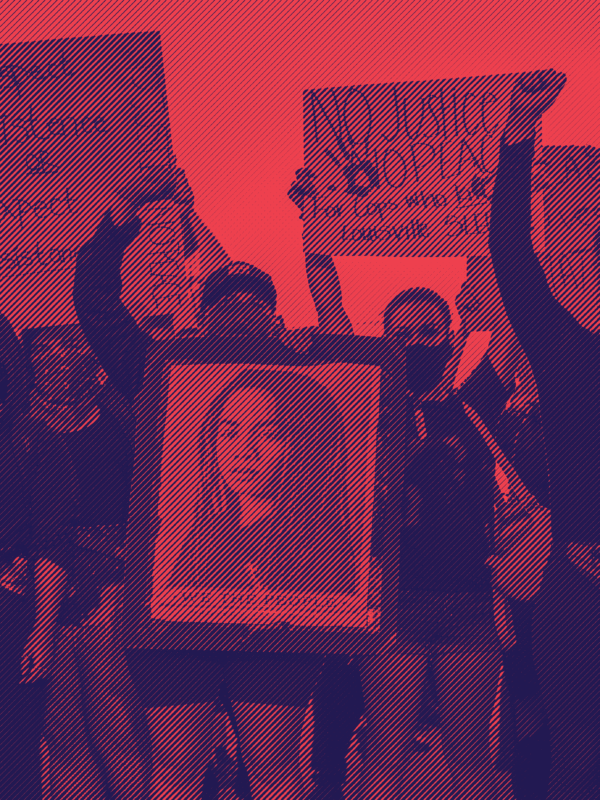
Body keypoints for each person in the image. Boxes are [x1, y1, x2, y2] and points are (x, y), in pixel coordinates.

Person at [73, 167, 339, 800]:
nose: (239, 311)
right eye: (224, 300)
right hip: (177, 603)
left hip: (277, 604)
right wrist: (125, 207)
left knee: (276, 767)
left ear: (273, 314)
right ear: (202, 309)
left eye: (253, 301)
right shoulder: (158, 370)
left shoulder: (312, 379)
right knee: (176, 769)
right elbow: (95, 302)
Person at [289, 172, 521, 799]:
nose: (416, 342)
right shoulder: (368, 403)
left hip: (472, 603)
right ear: (384, 339)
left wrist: (476, 220)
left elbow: (499, 308)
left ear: (449, 339)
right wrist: (316, 223)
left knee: (469, 759)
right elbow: (329, 307)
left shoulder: (478, 402)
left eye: (429, 331)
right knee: (384, 758)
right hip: (393, 604)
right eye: (402, 332)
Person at [489, 69, 600, 800]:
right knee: (578, 761)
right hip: (580, 589)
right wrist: (520, 132)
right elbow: (513, 257)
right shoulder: (569, 352)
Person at [21, 323, 151, 800]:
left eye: (69, 346)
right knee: (64, 736)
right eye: (44, 351)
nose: (58, 361)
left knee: (118, 726)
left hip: (112, 589)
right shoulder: (19, 433)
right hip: (41, 596)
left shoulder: (125, 417)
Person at [172, 367, 355, 598]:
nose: (244, 451)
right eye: (230, 433)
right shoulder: (209, 533)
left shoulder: (319, 548)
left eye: (268, 435)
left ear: (308, 444)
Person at [0, 313, 73, 800]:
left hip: (11, 621)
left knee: (15, 753)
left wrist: (43, 630)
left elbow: (52, 539)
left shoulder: (33, 439)